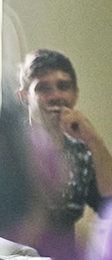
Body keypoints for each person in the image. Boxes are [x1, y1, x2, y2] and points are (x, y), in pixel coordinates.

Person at [18, 49, 112, 232]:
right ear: (25, 96)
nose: (55, 96)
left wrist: (93, 139)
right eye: (43, 88)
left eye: (62, 86)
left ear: (75, 94)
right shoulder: (8, 146)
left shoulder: (83, 153)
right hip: (5, 259)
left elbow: (109, 203)